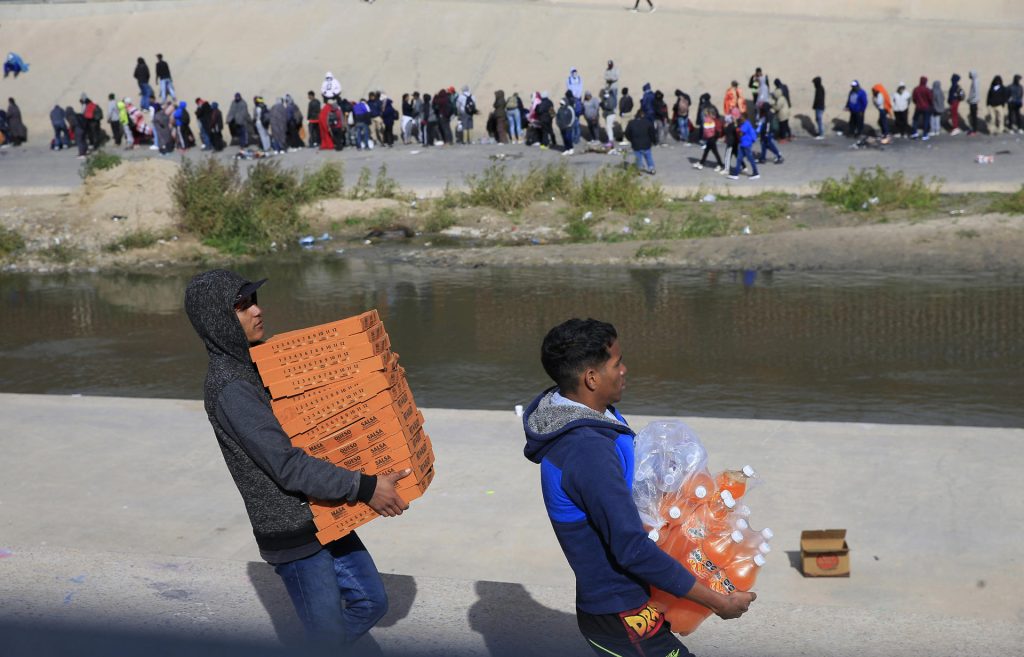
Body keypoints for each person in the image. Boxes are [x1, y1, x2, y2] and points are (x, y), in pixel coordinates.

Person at [184, 270, 409, 650]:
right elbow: (286, 466)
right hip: (294, 533)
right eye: (243, 306)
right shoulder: (231, 386)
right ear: (218, 320)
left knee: (371, 602)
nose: (258, 311)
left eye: (254, 301)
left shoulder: (255, 364)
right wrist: (365, 487)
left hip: (324, 513)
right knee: (325, 636)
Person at [522, 319, 754, 657]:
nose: (624, 370)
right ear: (591, 378)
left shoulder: (590, 416)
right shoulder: (586, 451)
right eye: (617, 363)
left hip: (635, 600)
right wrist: (719, 602)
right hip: (621, 614)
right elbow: (630, 548)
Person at [693, 104, 724, 172]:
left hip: (710, 138)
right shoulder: (712, 119)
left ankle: (720, 164)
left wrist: (704, 137)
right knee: (707, 151)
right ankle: (701, 163)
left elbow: (707, 131)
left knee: (714, 152)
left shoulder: (708, 120)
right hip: (712, 138)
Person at [729, 115, 759, 180]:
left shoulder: (746, 124)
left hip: (746, 144)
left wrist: (737, 128)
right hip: (743, 144)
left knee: (750, 159)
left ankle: (756, 173)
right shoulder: (745, 123)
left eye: (741, 118)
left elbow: (741, 133)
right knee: (739, 159)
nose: (740, 119)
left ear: (744, 118)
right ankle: (736, 174)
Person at [967, 70, 980, 135]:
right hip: (972, 101)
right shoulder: (974, 81)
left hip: (973, 101)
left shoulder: (975, 81)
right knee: (973, 116)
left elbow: (975, 92)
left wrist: (970, 99)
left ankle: (974, 130)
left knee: (974, 116)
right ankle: (973, 129)